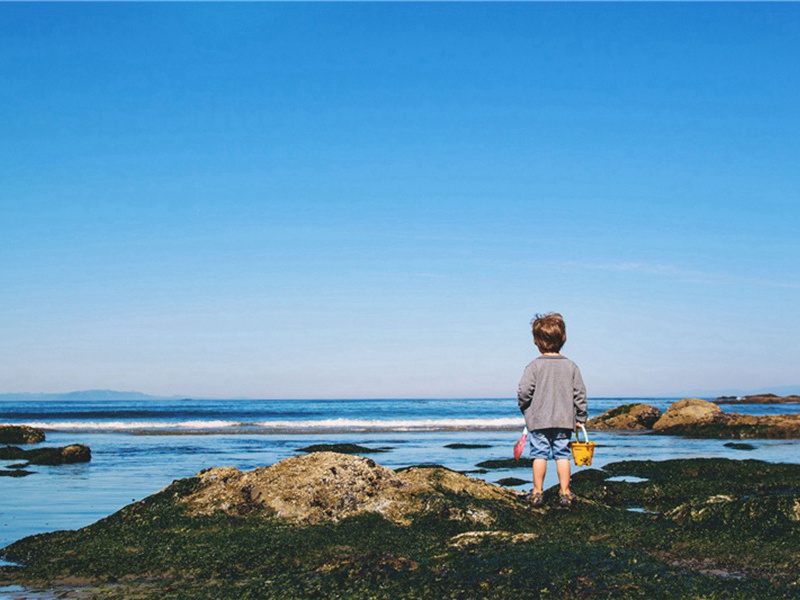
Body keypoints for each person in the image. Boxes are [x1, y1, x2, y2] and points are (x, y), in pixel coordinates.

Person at [517, 313, 587, 507]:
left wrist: (525, 408)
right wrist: (581, 416)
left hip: (539, 419)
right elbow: (580, 394)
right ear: (562, 339)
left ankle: (537, 492)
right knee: (562, 454)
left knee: (539, 454)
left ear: (536, 342)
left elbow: (524, 391)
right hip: (564, 420)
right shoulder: (571, 366)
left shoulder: (533, 366)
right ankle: (565, 492)